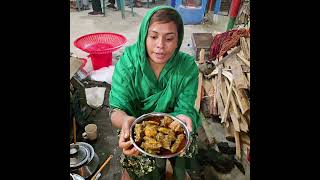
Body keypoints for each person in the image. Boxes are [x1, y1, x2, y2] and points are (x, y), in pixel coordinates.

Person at [109, 6, 200, 180]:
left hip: (172, 123)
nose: (160, 45)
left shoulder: (187, 67)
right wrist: (127, 121)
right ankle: (131, 171)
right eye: (153, 36)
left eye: (169, 38)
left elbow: (186, 107)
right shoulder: (128, 63)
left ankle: (176, 170)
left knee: (187, 147)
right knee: (138, 166)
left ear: (178, 40)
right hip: (134, 124)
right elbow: (116, 110)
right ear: (144, 35)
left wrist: (183, 118)